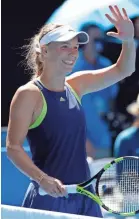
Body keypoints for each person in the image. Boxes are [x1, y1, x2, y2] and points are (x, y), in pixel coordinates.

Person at [6, 5, 135, 217]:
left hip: (85, 197)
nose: (73, 53)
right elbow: (13, 147)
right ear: (44, 50)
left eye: (75, 47)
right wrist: (43, 179)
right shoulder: (28, 94)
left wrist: (128, 41)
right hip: (49, 198)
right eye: (65, 46)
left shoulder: (77, 85)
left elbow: (124, 69)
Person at [72, 23, 119, 158]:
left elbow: (111, 100)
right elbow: (64, 109)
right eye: (95, 39)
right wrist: (84, 140)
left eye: (101, 39)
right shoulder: (72, 67)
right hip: (78, 143)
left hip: (104, 141)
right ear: (83, 42)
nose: (100, 43)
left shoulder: (106, 65)